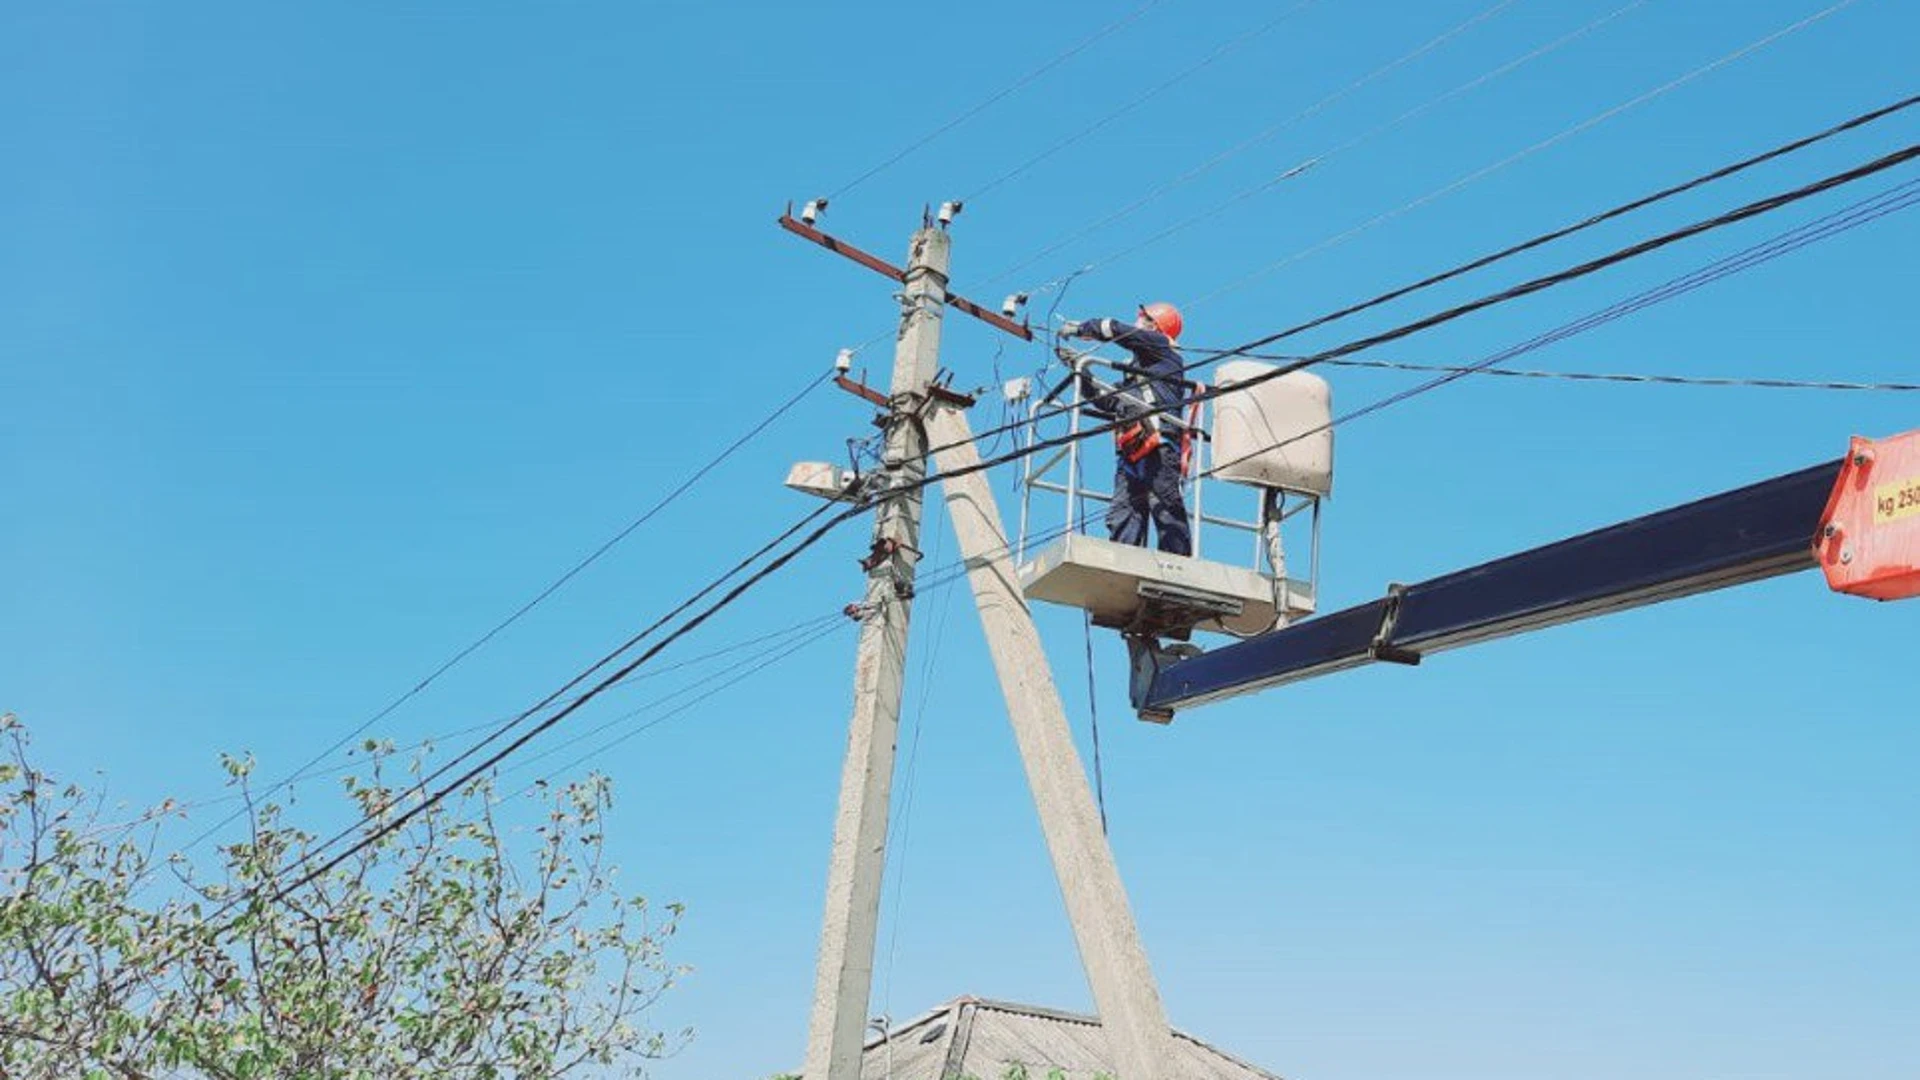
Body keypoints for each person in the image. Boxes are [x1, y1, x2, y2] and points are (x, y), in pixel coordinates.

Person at [1062, 302, 1193, 557]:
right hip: (1132, 452)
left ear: (1154, 325)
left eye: (1141, 318)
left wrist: (1081, 329)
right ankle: (1124, 560)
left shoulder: (1163, 350)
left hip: (1158, 449)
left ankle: (1178, 569)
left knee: (1165, 509)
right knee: (1123, 513)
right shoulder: (1138, 372)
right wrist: (1081, 373)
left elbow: (1115, 329)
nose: (1136, 321)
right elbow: (1109, 401)